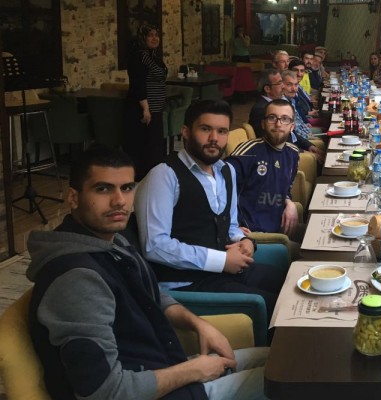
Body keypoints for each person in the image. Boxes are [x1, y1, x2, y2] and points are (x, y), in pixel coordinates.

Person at [27, 146, 268, 400]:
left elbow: (150, 294)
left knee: (275, 357)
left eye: (127, 188)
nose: (119, 201)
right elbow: (104, 392)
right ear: (73, 198)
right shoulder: (76, 279)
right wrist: (193, 371)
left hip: (162, 368)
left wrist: (197, 324)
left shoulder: (113, 243)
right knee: (284, 379)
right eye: (103, 189)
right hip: (154, 388)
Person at [134, 99, 285, 317]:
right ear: (186, 131)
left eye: (222, 131)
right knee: (277, 307)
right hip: (186, 285)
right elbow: (155, 246)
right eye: (205, 129)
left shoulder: (226, 171)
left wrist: (245, 241)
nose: (214, 138)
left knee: (289, 283)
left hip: (224, 273)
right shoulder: (164, 175)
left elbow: (230, 226)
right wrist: (221, 261)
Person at [227, 100, 302, 241]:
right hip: (253, 234)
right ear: (263, 124)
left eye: (285, 119)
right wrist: (230, 226)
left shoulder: (293, 153)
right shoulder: (248, 152)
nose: (278, 124)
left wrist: (289, 202)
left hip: (280, 225)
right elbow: (219, 188)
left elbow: (285, 188)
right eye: (272, 118)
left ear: (292, 126)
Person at [125, 24, 167, 180]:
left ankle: (155, 178)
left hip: (156, 108)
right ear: (142, 38)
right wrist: (145, 108)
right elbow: (138, 84)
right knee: (144, 147)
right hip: (143, 109)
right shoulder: (139, 57)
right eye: (150, 35)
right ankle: (144, 179)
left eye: (156, 35)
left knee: (155, 146)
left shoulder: (153, 56)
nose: (154, 38)